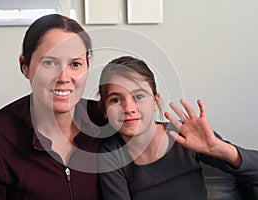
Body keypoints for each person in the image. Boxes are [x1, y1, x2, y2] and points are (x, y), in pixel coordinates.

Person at [0, 14, 102, 200]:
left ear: (87, 66)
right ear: (24, 66)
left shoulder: (107, 119)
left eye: (75, 64)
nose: (63, 78)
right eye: (49, 63)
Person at [97, 56, 258, 200]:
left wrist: (217, 147)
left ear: (155, 101)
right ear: (104, 109)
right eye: (116, 100)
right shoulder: (111, 156)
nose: (129, 108)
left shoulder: (184, 134)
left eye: (139, 97)